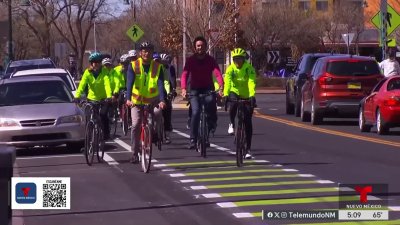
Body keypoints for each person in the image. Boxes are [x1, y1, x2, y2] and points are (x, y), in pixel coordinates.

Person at [126, 41, 167, 163]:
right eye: (144, 51)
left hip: (153, 100)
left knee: (158, 113)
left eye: (149, 51)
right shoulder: (133, 65)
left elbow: (160, 84)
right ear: (140, 53)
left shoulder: (157, 66)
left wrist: (162, 100)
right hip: (136, 101)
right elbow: (129, 83)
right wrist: (128, 99)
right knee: (136, 124)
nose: (146, 53)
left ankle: (158, 134)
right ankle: (134, 153)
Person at [180, 36, 224, 149]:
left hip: (208, 89)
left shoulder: (210, 60)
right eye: (198, 46)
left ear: (205, 46)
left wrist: (221, 87)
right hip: (194, 90)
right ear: (195, 47)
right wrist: (184, 89)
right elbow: (184, 75)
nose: (200, 47)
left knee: (210, 105)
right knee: (196, 112)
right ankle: (193, 140)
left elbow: (217, 73)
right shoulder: (191, 60)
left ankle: (208, 131)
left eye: (202, 45)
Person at [224, 48, 256, 159]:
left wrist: (252, 96)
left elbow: (251, 82)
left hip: (247, 94)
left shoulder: (249, 69)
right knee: (232, 105)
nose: (237, 62)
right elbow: (227, 82)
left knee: (248, 122)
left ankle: (248, 149)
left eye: (240, 59)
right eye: (235, 59)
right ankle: (231, 123)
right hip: (234, 92)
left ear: (244, 59)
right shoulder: (230, 69)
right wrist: (225, 94)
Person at [74, 52, 113, 140]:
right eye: (95, 62)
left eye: (99, 62)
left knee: (103, 115)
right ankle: (88, 139)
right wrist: (77, 96)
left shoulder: (104, 71)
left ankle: (106, 134)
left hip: (103, 99)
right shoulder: (87, 73)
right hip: (91, 99)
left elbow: (107, 84)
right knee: (88, 117)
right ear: (91, 63)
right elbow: (82, 85)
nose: (97, 64)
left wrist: (109, 96)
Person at [160, 53, 177, 144]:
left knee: (167, 109)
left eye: (165, 62)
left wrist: (171, 91)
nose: (163, 64)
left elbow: (169, 81)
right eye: (161, 62)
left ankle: (167, 132)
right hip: (154, 92)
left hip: (166, 90)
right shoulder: (154, 68)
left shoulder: (169, 68)